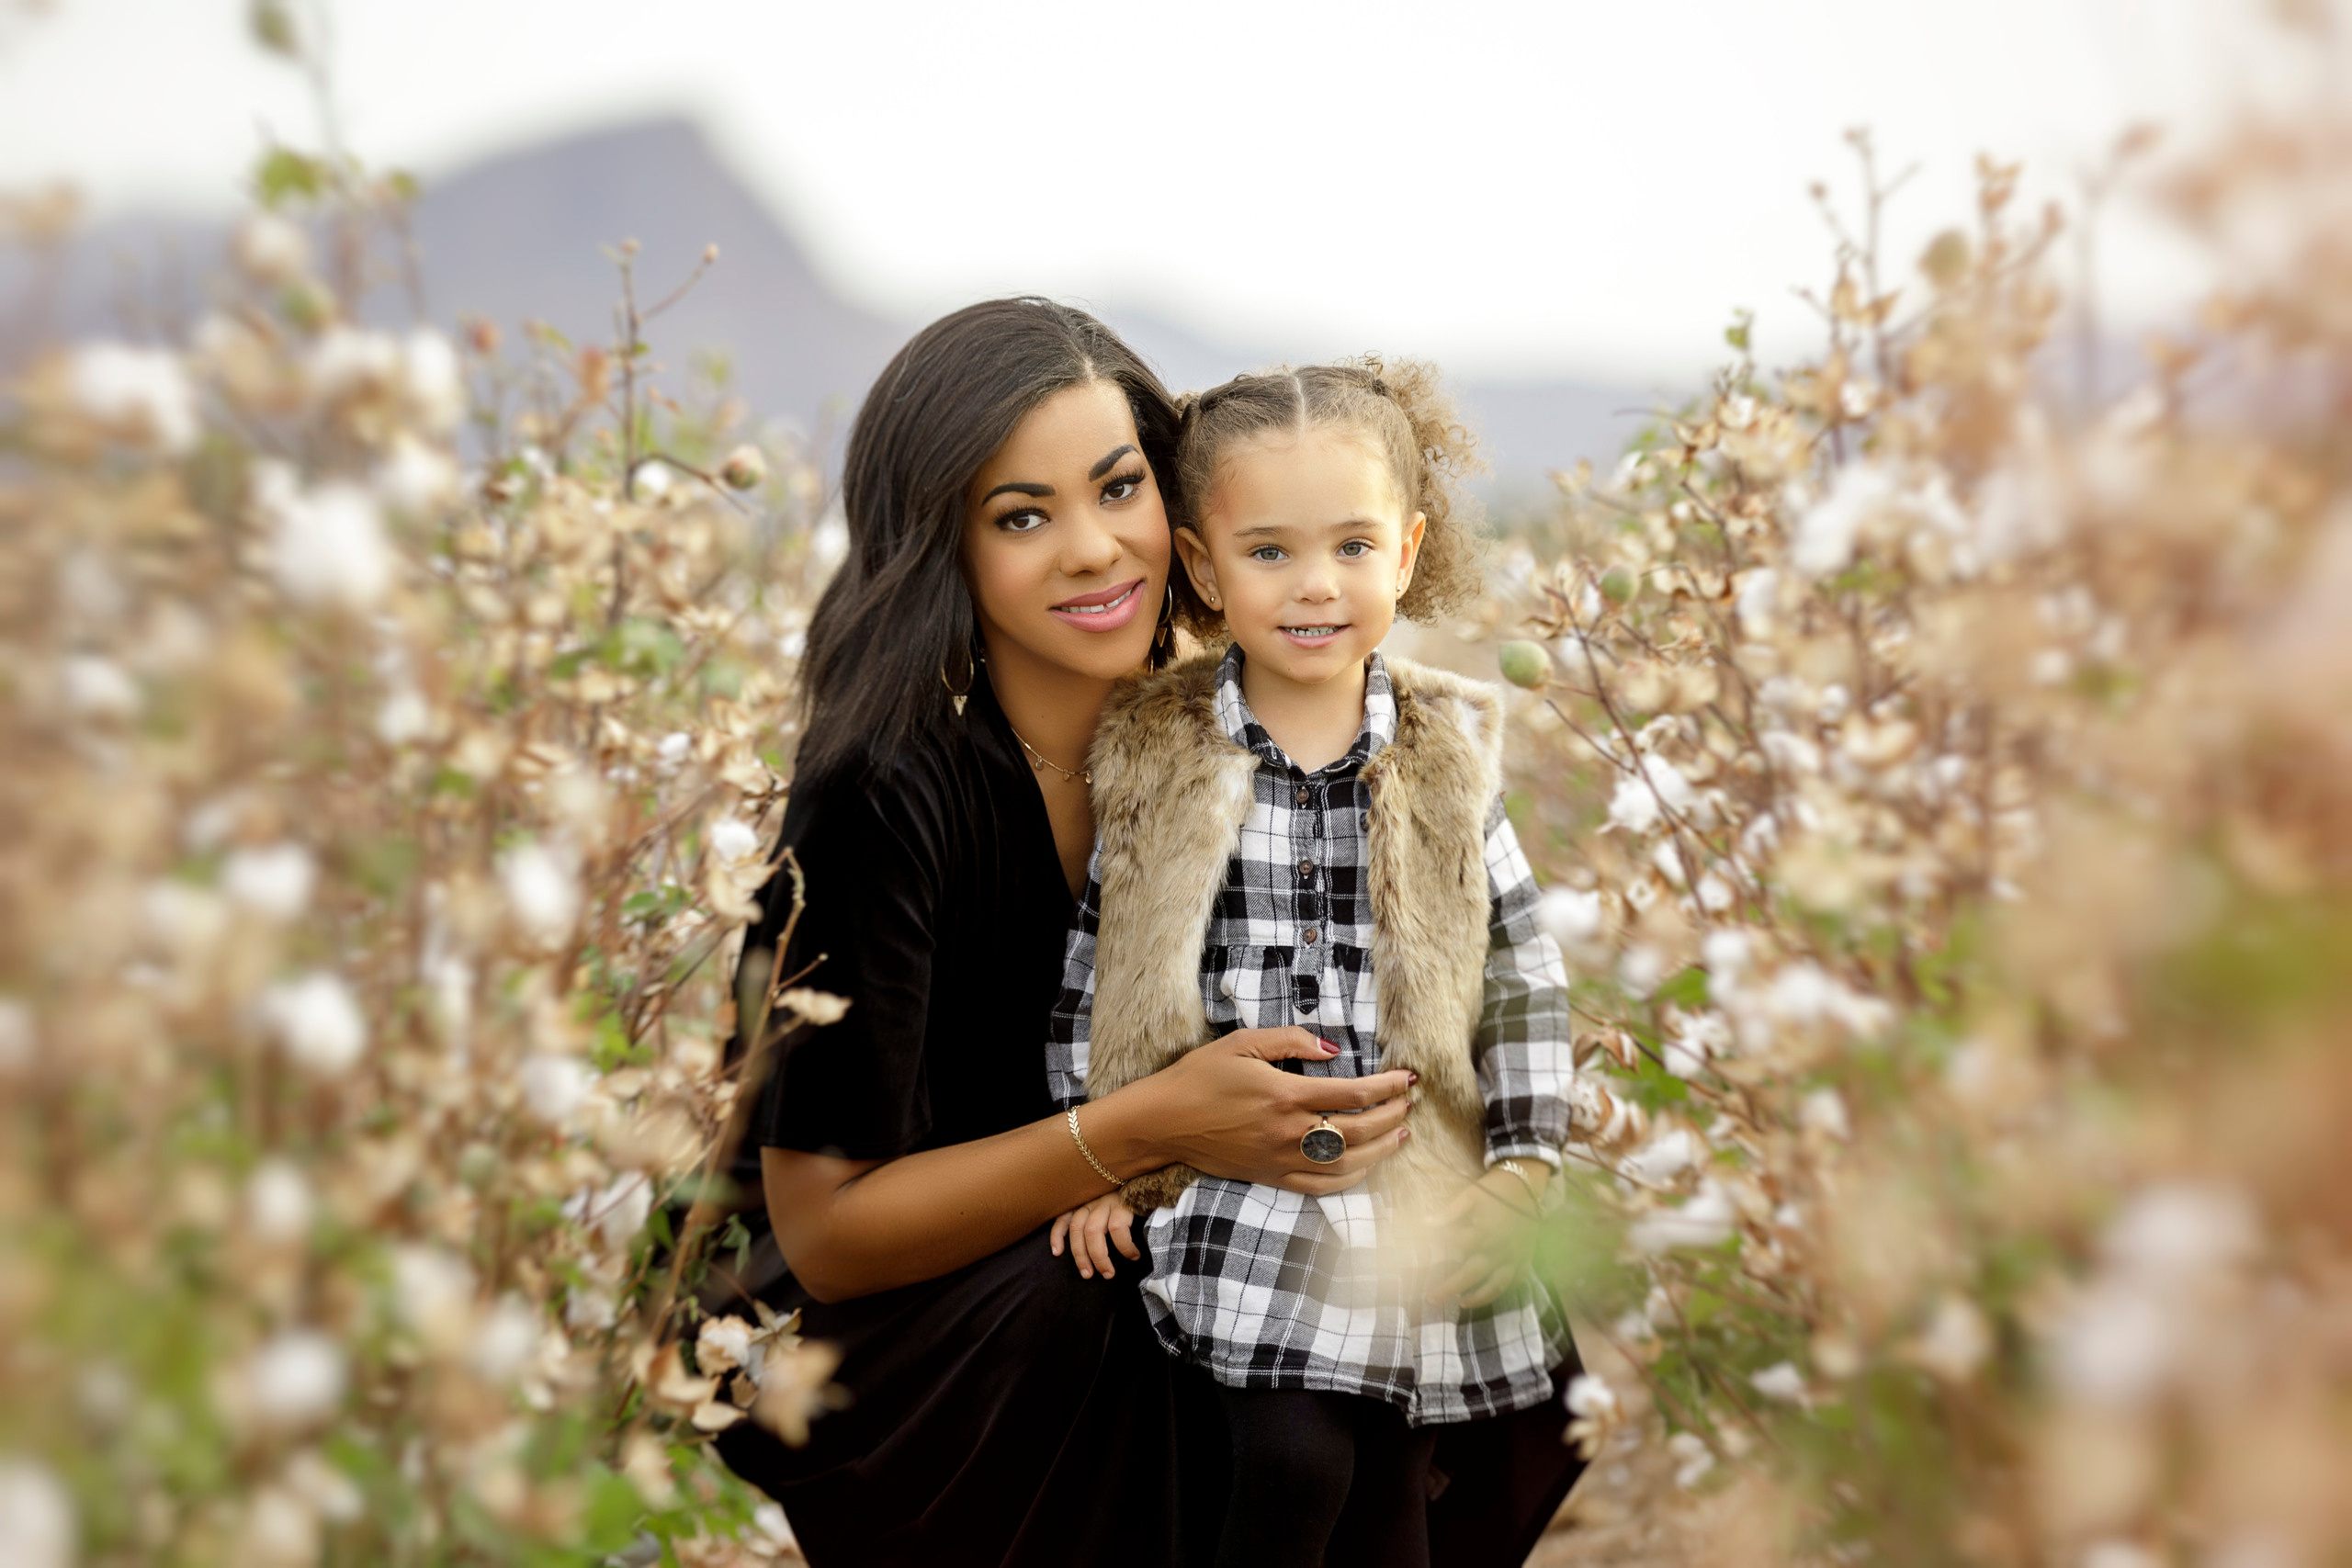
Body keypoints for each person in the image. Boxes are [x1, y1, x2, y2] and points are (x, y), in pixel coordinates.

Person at [711, 299, 1422, 1568]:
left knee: (1432, 1334)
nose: (1094, 550)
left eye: (1119, 489)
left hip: (1116, 1220)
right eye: (1022, 516)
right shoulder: (879, 797)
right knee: (1128, 1322)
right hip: (855, 1332)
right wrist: (1144, 1133)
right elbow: (823, 1232)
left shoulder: (1221, 739)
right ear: (946, 548)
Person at [1043, 361, 1587, 1568]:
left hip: (1409, 1188)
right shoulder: (1161, 749)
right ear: (1200, 565)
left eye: (1352, 546)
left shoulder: (1444, 753)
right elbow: (1102, 966)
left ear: (1406, 552)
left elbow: (1522, 976)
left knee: (1393, 1492)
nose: (1316, 586)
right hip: (1240, 1183)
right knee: (1294, 1459)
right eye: (1271, 552)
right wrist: (1096, 1151)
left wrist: (1525, 1165)